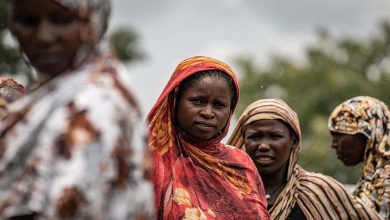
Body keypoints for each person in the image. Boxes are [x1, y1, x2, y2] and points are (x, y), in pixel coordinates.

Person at [0, 0, 154, 219]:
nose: (43, 36)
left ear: (93, 21)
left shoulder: (93, 106)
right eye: (28, 21)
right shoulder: (51, 95)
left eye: (62, 20)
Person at [147, 56, 269, 219]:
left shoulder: (240, 165)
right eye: (198, 101)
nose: (207, 113)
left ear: (230, 110)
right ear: (175, 101)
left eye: (218, 105)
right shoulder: (147, 161)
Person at [228, 98, 381, 219]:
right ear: (244, 141)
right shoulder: (225, 190)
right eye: (255, 137)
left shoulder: (320, 191)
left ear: (293, 140)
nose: (263, 146)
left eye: (275, 137)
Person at [328, 96, 390, 219]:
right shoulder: (372, 177)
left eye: (339, 135)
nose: (333, 144)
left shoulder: (385, 179)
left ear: (369, 133)